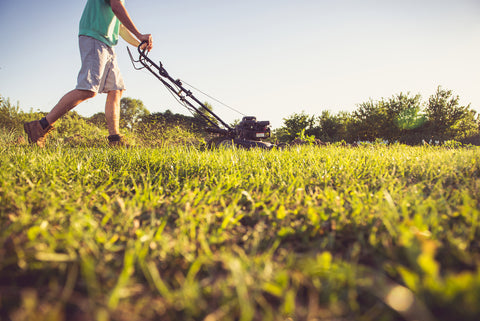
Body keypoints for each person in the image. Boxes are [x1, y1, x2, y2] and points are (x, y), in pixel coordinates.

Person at [24, 0, 153, 147]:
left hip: (108, 43)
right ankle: (40, 126)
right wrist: (139, 34)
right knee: (88, 89)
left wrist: (139, 43)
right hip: (94, 37)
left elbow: (120, 26)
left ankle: (115, 140)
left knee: (116, 89)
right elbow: (116, 7)